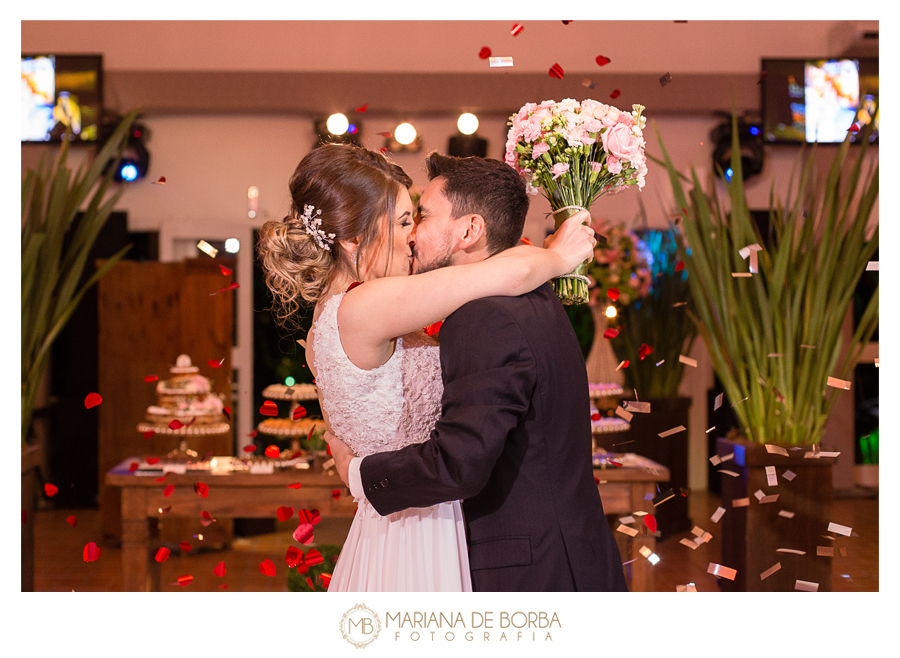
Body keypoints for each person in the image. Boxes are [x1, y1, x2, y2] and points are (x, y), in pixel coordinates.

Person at [256, 143, 596, 592]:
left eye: (414, 219)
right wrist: (559, 255)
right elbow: (506, 274)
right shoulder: (365, 306)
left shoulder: (330, 319)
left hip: (396, 522)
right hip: (418, 531)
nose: (411, 235)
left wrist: (356, 469)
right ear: (354, 240)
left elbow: (340, 429)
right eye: (400, 222)